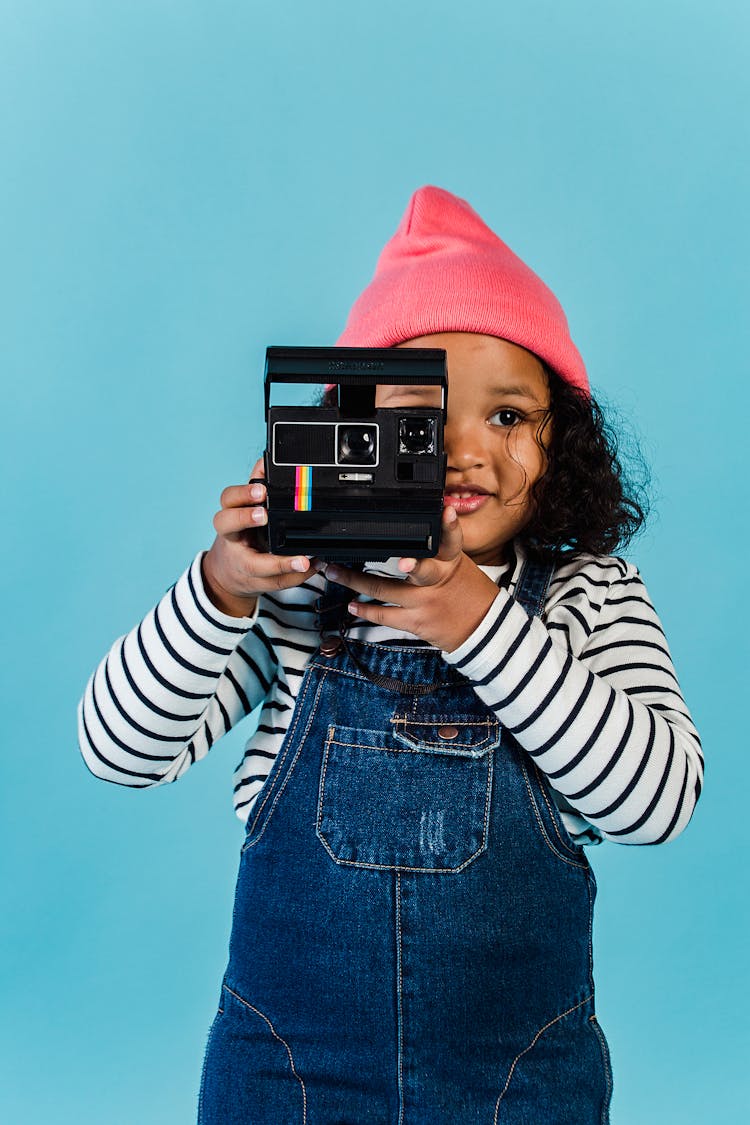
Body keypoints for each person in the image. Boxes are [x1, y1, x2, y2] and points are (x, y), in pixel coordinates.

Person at [77, 186, 703, 1124]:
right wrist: (222, 587)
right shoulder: (302, 595)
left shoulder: (591, 596)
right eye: (424, 417)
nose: (464, 450)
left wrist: (475, 620)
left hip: (517, 1079)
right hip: (290, 1070)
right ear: (351, 432)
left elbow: (657, 803)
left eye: (507, 417)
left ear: (559, 440)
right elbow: (120, 750)